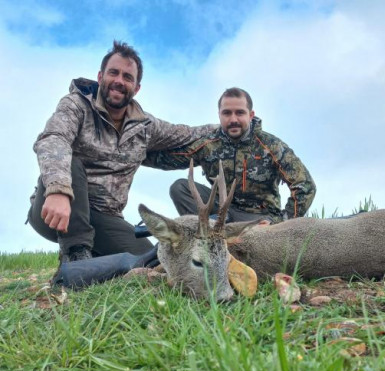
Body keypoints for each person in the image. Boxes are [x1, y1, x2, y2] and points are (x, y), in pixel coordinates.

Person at [27, 41, 215, 262]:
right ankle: (76, 257)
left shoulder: (146, 127)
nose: (119, 81)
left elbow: (187, 134)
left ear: (136, 88)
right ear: (100, 77)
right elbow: (53, 138)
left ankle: (96, 254)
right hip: (57, 209)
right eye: (113, 73)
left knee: (149, 260)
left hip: (105, 218)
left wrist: (230, 127)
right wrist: (58, 189)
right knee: (72, 161)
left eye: (127, 77)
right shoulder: (75, 105)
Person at [150, 87, 316, 223]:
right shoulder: (208, 145)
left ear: (251, 115)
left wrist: (280, 222)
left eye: (240, 113)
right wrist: (132, 152)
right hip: (221, 211)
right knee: (180, 188)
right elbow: (167, 159)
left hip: (258, 218)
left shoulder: (271, 146)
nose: (233, 119)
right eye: (227, 113)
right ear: (219, 115)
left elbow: (305, 185)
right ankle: (203, 235)